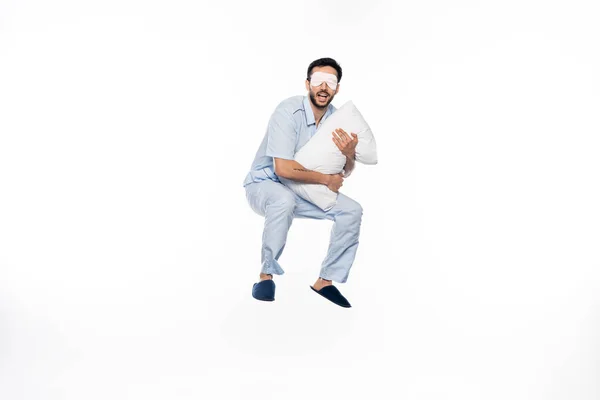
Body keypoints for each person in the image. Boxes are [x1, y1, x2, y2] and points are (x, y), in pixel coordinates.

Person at [242, 57, 363, 308]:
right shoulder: (288, 111)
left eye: (331, 82)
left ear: (337, 88)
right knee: (283, 200)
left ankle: (326, 281)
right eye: (318, 81)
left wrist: (350, 153)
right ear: (308, 83)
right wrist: (326, 180)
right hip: (267, 184)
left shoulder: (337, 120)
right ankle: (266, 277)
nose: (323, 87)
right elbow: (283, 169)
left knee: (352, 211)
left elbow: (344, 173)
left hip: (305, 189)